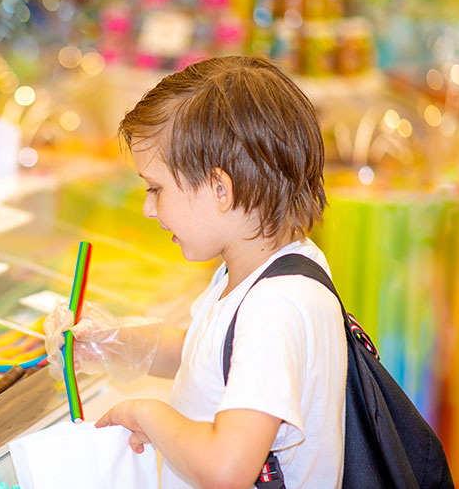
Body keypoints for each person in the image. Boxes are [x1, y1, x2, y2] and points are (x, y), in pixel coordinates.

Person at [45, 55, 347, 489]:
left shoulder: (275, 309)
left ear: (221, 189)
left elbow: (226, 468)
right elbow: (209, 355)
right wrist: (115, 342)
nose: (149, 209)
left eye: (156, 189)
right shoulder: (257, 270)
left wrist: (146, 411)